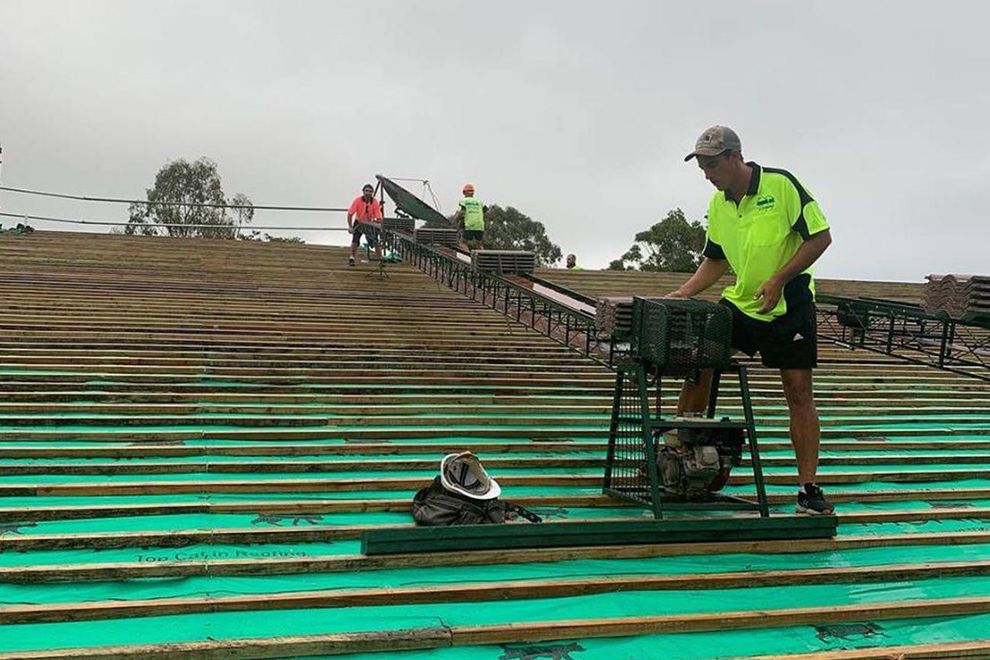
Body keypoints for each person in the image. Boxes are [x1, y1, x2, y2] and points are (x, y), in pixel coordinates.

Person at [670, 125, 834, 515]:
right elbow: (716, 258)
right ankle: (678, 448)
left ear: (734, 157)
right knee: (699, 362)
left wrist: (779, 279)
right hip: (741, 305)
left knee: (798, 392)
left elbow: (820, 237)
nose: (707, 174)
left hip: (789, 305)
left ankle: (808, 488)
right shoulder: (718, 205)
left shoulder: (780, 186)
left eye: (712, 164)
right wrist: (685, 292)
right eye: (702, 167)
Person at [347, 183, 383, 266]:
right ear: (363, 191)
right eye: (366, 191)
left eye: (370, 191)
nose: (368, 193)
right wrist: (350, 227)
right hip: (359, 222)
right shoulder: (358, 200)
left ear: (372, 193)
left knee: (375, 241)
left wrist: (379, 222)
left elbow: (378, 215)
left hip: (369, 223)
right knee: (355, 240)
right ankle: (352, 257)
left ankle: (380, 259)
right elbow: (350, 214)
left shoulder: (374, 202)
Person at [455, 183, 486, 251]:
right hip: (480, 225)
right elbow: (486, 211)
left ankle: (467, 259)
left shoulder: (464, 200)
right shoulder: (479, 202)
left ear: (464, 192)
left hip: (470, 225)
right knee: (479, 244)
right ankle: (484, 259)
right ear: (473, 193)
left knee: (463, 243)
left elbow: (462, 212)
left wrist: (456, 219)